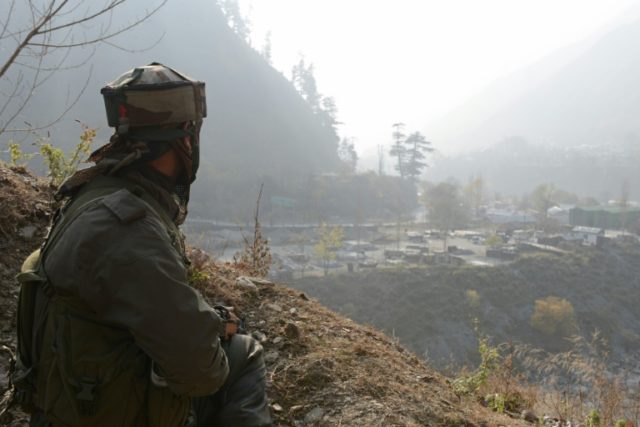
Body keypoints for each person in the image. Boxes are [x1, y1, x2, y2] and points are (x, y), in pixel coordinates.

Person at [13, 63, 272, 426]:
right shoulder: (129, 229)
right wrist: (212, 334)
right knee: (242, 353)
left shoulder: (92, 195)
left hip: (67, 403)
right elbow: (203, 374)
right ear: (185, 139)